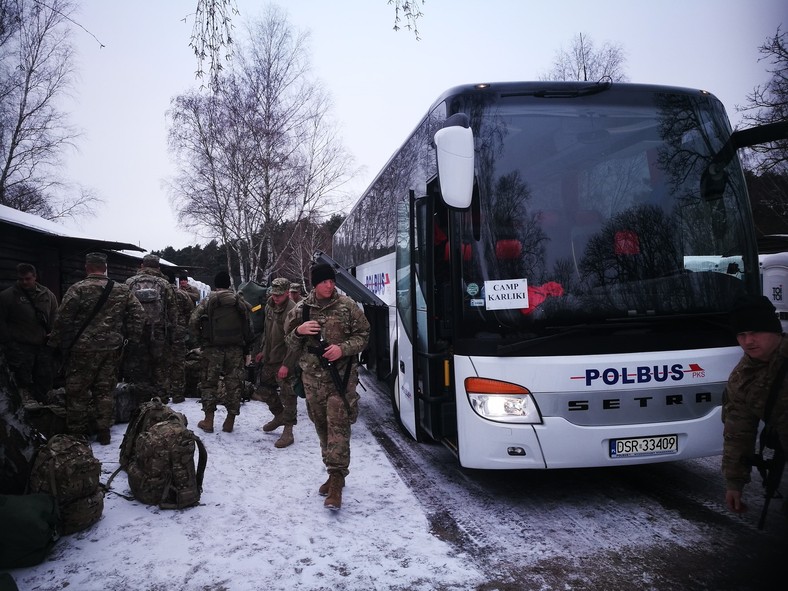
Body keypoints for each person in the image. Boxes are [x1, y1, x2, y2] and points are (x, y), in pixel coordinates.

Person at [284, 262, 370, 510]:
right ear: (315, 283)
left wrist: (342, 349)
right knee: (321, 425)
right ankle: (333, 472)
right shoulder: (302, 309)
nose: (329, 286)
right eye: (324, 282)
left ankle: (336, 480)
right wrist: (299, 331)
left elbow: (364, 335)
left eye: (332, 281)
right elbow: (289, 342)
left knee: (338, 427)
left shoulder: (347, 306)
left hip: (341, 379)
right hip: (312, 380)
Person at [47, 252, 145, 444]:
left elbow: (62, 318)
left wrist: (54, 342)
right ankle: (104, 431)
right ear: (105, 268)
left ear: (87, 267)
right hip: (111, 349)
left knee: (77, 391)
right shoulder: (121, 290)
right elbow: (138, 314)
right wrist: (131, 338)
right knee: (105, 390)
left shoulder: (78, 289)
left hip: (82, 350)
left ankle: (77, 434)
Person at [722, 294, 788, 515]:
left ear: (775, 331)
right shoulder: (743, 377)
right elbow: (737, 433)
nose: (748, 341)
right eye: (741, 334)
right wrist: (734, 484)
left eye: (755, 333)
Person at [189, 271, 254, 434]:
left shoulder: (209, 300)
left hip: (212, 349)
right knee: (234, 384)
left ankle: (209, 420)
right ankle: (229, 421)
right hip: (235, 349)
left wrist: (201, 341)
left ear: (215, 285)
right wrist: (246, 347)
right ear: (229, 285)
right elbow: (249, 327)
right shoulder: (239, 301)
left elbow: (193, 321)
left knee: (209, 383)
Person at [0, 263, 59, 405]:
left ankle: (44, 408)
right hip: (20, 347)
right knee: (22, 381)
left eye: (27, 279)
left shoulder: (47, 295)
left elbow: (55, 316)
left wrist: (54, 335)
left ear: (35, 277)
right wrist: (8, 343)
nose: (24, 282)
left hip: (43, 346)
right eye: (21, 279)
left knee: (45, 379)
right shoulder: (7, 296)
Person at [253, 277, 300, 448]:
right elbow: (267, 331)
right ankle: (279, 415)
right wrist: (262, 351)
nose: (276, 298)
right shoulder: (269, 306)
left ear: (287, 293)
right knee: (263, 391)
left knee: (288, 396)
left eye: (279, 295)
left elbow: (296, 342)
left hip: (285, 360)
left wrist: (287, 365)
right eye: (273, 294)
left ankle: (288, 431)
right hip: (269, 358)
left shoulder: (294, 310)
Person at [124, 254, 178, 402]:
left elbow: (123, 309)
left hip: (136, 333)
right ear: (158, 267)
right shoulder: (164, 284)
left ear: (142, 266)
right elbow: (173, 312)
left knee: (138, 367)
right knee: (160, 367)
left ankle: (140, 401)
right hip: (159, 333)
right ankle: (161, 400)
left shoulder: (129, 283)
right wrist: (173, 336)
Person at [170, 272, 195, 403]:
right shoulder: (182, 294)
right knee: (178, 363)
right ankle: (178, 394)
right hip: (178, 332)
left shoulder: (158, 291)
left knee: (159, 363)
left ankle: (160, 393)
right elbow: (191, 313)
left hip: (157, 332)